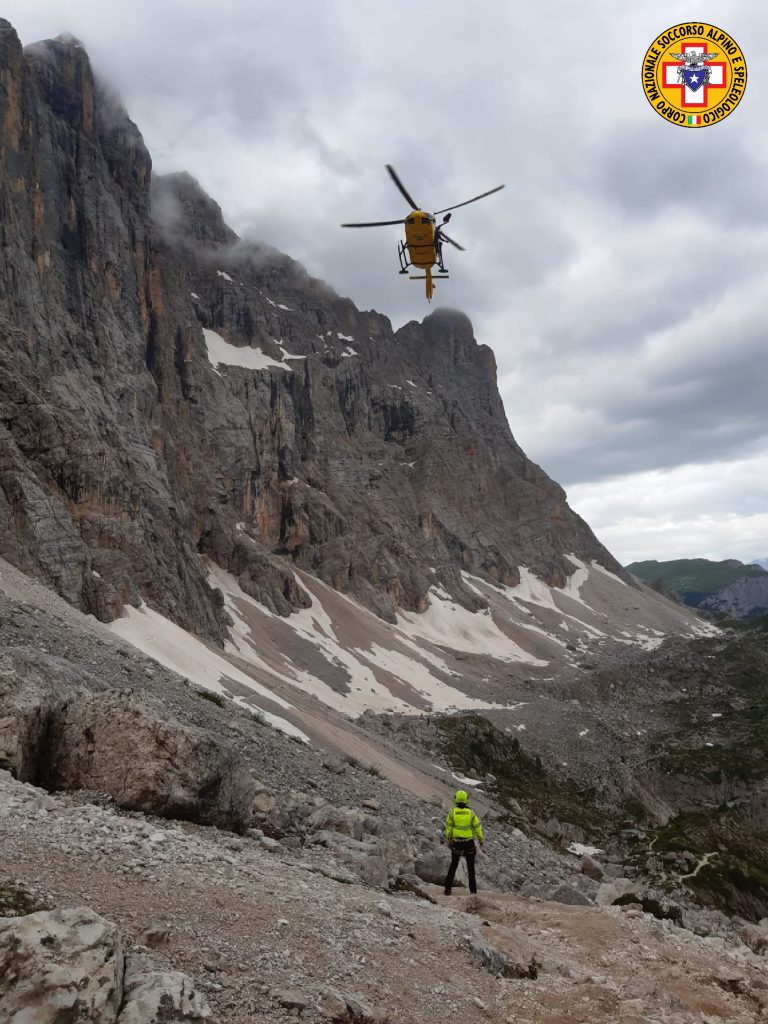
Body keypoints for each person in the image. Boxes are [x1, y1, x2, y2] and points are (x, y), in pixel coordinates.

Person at [443, 788, 484, 895]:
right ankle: (473, 892)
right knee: (471, 868)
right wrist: (481, 839)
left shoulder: (452, 813)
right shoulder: (471, 813)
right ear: (466, 800)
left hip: (456, 842)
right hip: (469, 843)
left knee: (453, 865)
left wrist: (449, 838)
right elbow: (477, 827)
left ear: (456, 800)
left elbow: (448, 828)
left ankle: (447, 889)